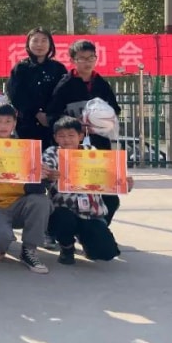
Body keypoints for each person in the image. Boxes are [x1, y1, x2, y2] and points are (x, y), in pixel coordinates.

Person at [0, 102, 52, 274]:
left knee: (41, 201)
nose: (3, 125)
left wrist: (42, 177)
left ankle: (29, 249)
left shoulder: (26, 149)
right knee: (1, 241)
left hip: (20, 204)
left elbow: (38, 188)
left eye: (8, 121)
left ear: (14, 123)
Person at [46, 39, 123, 223]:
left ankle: (99, 227)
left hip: (98, 146)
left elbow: (115, 110)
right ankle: (65, 229)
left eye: (91, 58)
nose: (87, 62)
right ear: (73, 60)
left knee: (109, 197)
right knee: (72, 194)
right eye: (82, 58)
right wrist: (76, 124)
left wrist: (102, 122)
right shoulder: (65, 84)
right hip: (72, 149)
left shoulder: (101, 84)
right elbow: (53, 115)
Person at [41, 117, 124, 266]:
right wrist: (49, 176)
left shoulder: (91, 152)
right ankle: (67, 247)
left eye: (71, 135)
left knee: (106, 252)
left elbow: (107, 175)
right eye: (61, 136)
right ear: (55, 138)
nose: (67, 140)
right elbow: (45, 173)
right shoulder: (52, 153)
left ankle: (89, 240)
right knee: (61, 216)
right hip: (64, 208)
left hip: (90, 212)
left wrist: (123, 182)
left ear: (80, 136)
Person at [7, 28, 67, 148]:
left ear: (50, 44)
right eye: (35, 41)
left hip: (53, 126)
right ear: (28, 44)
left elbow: (63, 95)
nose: (39, 45)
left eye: (44, 40)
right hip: (26, 126)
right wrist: (36, 113)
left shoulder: (58, 69)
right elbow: (15, 95)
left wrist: (49, 115)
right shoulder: (20, 68)